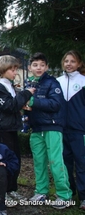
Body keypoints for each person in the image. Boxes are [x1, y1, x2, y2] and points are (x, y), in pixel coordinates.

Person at [24, 52, 72, 209]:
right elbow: (27, 107)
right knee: (39, 162)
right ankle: (41, 192)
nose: (39, 68)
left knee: (55, 161)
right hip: (36, 128)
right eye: (35, 65)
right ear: (30, 67)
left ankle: (64, 195)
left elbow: (55, 104)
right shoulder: (28, 84)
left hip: (52, 126)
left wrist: (32, 101)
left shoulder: (52, 83)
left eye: (42, 65)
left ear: (47, 67)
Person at [0, 55, 35, 203]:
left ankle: (12, 189)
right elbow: (10, 105)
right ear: (3, 69)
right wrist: (27, 93)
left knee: (15, 161)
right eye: (12, 69)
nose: (15, 72)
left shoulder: (10, 86)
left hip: (11, 128)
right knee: (3, 161)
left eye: (16, 69)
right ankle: (2, 192)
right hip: (1, 130)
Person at [57, 50, 85, 210]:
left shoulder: (83, 81)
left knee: (81, 164)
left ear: (79, 64)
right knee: (65, 163)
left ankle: (84, 197)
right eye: (66, 61)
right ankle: (69, 192)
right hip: (61, 130)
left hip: (79, 130)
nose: (69, 64)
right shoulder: (57, 82)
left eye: (72, 61)